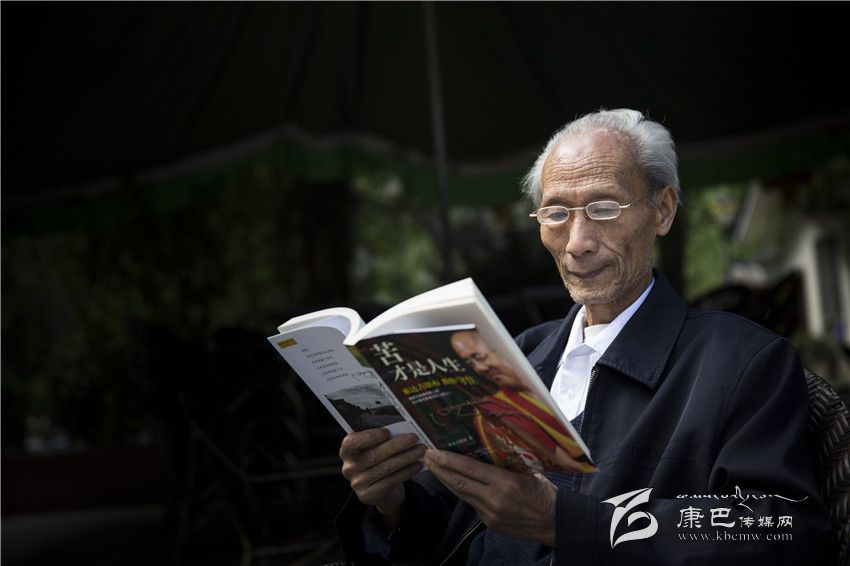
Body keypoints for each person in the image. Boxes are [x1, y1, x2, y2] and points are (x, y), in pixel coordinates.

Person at [335, 109, 830, 565]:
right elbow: (454, 523)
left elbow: (785, 530)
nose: (577, 243)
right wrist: (391, 503)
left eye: (603, 208)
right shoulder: (517, 355)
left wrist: (566, 523)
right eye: (555, 214)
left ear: (663, 210)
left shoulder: (742, 362)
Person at [449, 329, 588, 472]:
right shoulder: (498, 407)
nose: (480, 368)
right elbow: (563, 462)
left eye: (480, 357)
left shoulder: (546, 352)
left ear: (501, 348)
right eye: (471, 364)